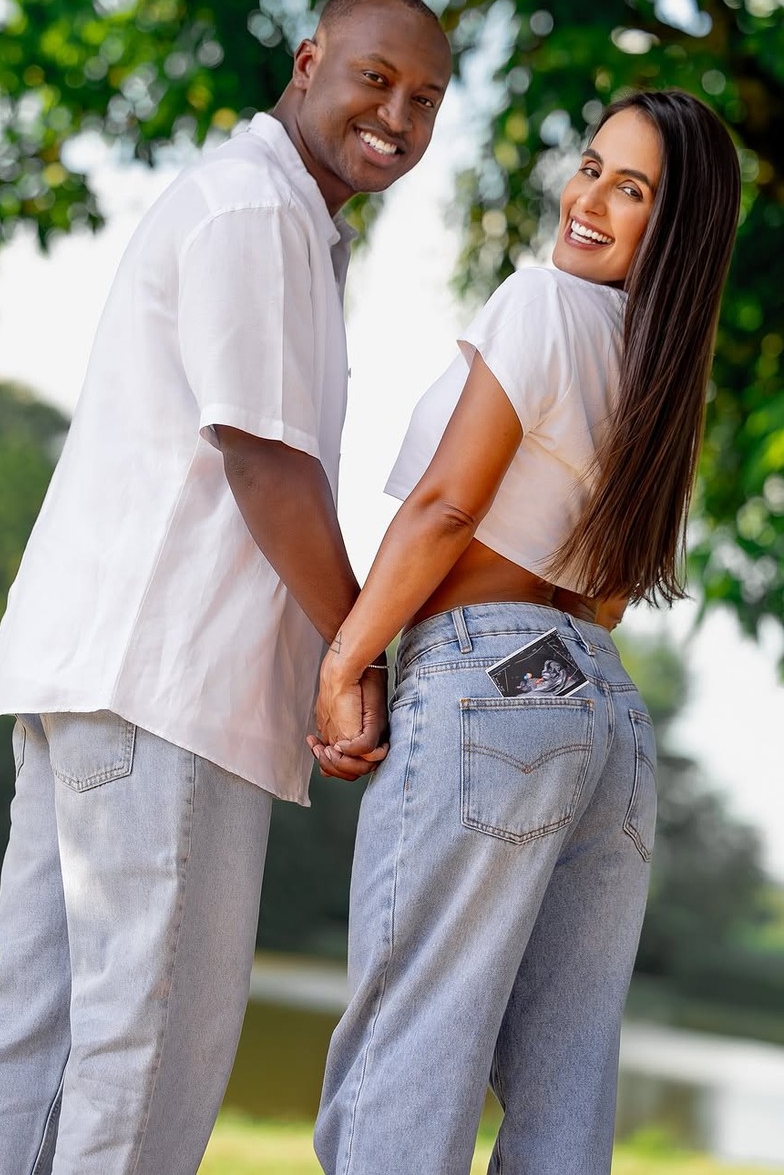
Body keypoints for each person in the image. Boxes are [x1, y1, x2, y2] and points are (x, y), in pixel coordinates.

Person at [0, 0, 452, 1175]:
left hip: (100, 685)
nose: (399, 117)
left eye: (425, 101)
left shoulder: (276, 218)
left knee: (38, 1031)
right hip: (167, 695)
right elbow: (266, 462)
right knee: (147, 1059)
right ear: (312, 57)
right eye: (377, 78)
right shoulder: (252, 211)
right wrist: (355, 654)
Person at [310, 89, 741, 1173]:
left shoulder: (543, 304)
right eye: (591, 164)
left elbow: (447, 507)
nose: (588, 199)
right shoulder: (666, 378)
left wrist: (347, 657)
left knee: (408, 1056)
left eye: (632, 189)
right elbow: (602, 599)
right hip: (607, 721)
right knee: (564, 1086)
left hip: (482, 681)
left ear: (674, 225)